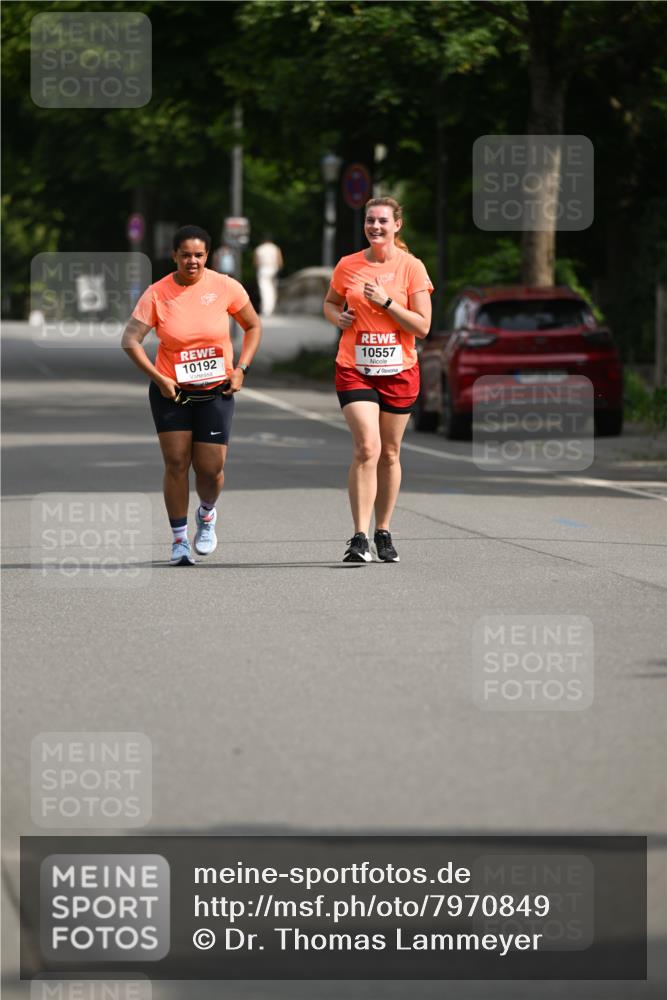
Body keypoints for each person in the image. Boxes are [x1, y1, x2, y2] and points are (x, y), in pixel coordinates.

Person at [121, 224, 262, 565]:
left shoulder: (225, 287)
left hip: (216, 391)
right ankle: (179, 539)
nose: (192, 261)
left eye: (199, 255)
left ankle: (207, 513)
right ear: (174, 256)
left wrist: (241, 367)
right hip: (172, 391)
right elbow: (130, 341)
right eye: (185, 255)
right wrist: (158, 378)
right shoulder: (158, 293)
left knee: (211, 470)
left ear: (207, 256)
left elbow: (253, 326)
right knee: (176, 463)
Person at [323, 198, 433, 563]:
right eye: (370, 220)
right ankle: (358, 537)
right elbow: (330, 302)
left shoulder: (411, 268)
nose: (375, 227)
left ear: (397, 225)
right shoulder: (348, 265)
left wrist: (387, 303)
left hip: (399, 371)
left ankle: (382, 531)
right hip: (354, 367)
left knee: (389, 452)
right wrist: (336, 318)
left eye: (383, 221)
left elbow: (422, 326)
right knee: (367, 447)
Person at [253, 237, 283, 317]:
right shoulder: (275, 248)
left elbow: (256, 262)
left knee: (264, 289)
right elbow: (279, 261)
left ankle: (266, 309)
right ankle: (271, 308)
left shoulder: (259, 249)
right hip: (273, 268)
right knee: (272, 289)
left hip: (263, 269)